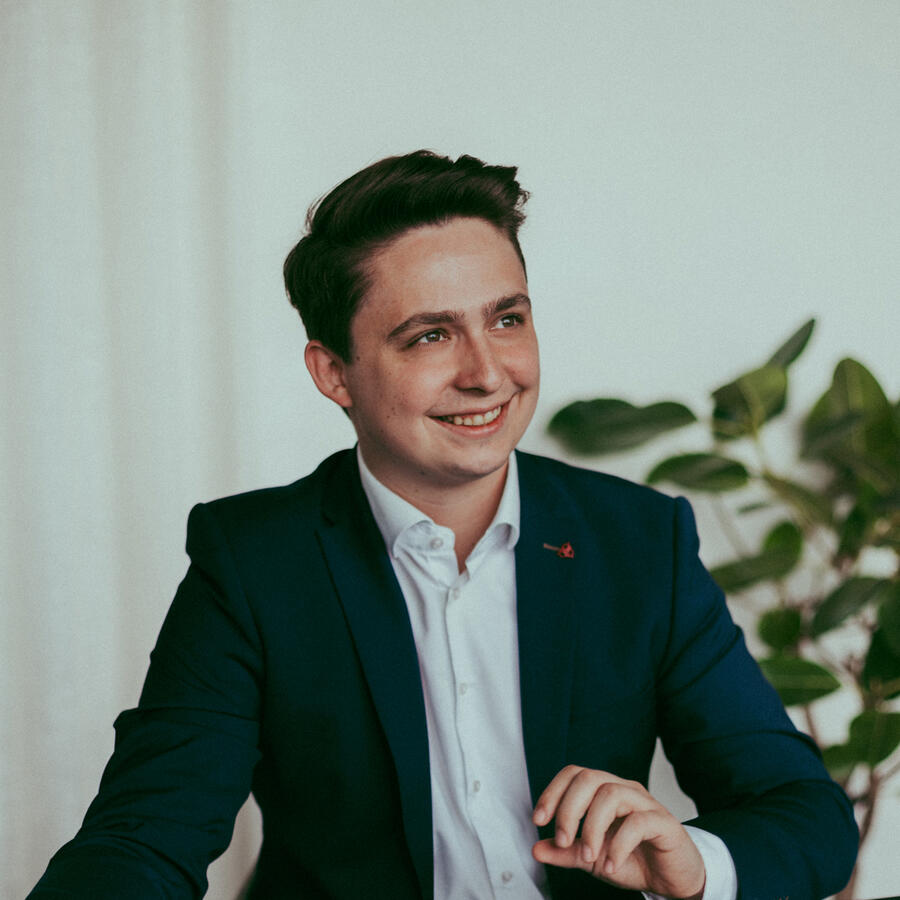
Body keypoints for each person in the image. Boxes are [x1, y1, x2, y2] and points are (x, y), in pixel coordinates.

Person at [29, 151, 858, 900]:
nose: (488, 372)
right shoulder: (253, 562)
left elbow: (805, 815)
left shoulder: (641, 542)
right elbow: (143, 837)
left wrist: (695, 863)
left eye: (507, 319)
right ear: (334, 373)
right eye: (431, 335)